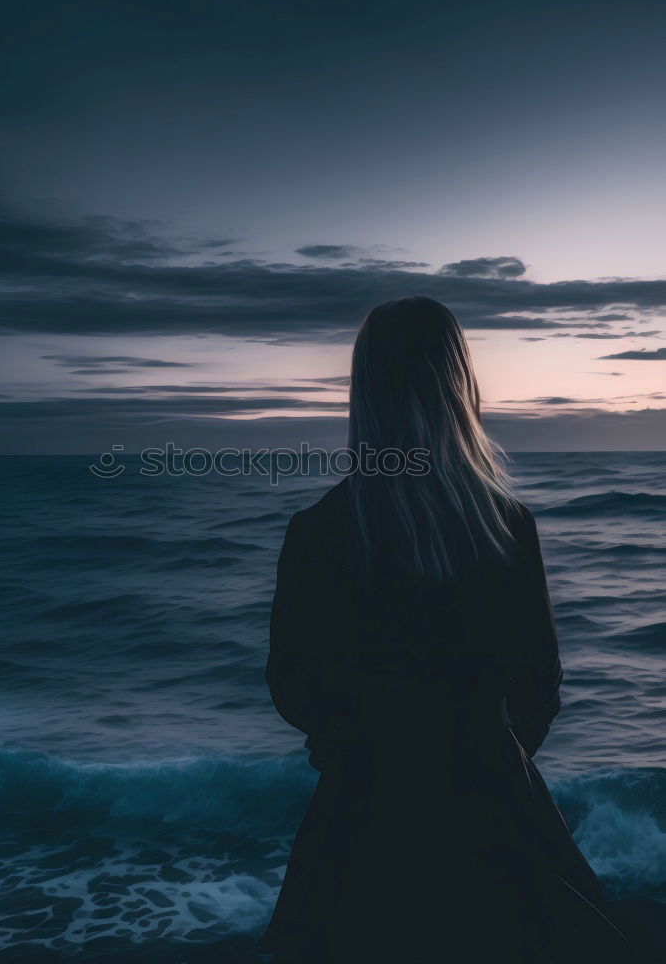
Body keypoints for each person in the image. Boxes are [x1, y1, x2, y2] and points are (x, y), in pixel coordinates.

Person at [259, 297, 633, 963]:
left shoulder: (317, 531)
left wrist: (348, 734)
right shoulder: (506, 526)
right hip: (489, 795)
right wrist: (487, 752)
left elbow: (291, 683)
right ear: (458, 385)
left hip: (364, 802)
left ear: (365, 390)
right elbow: (539, 684)